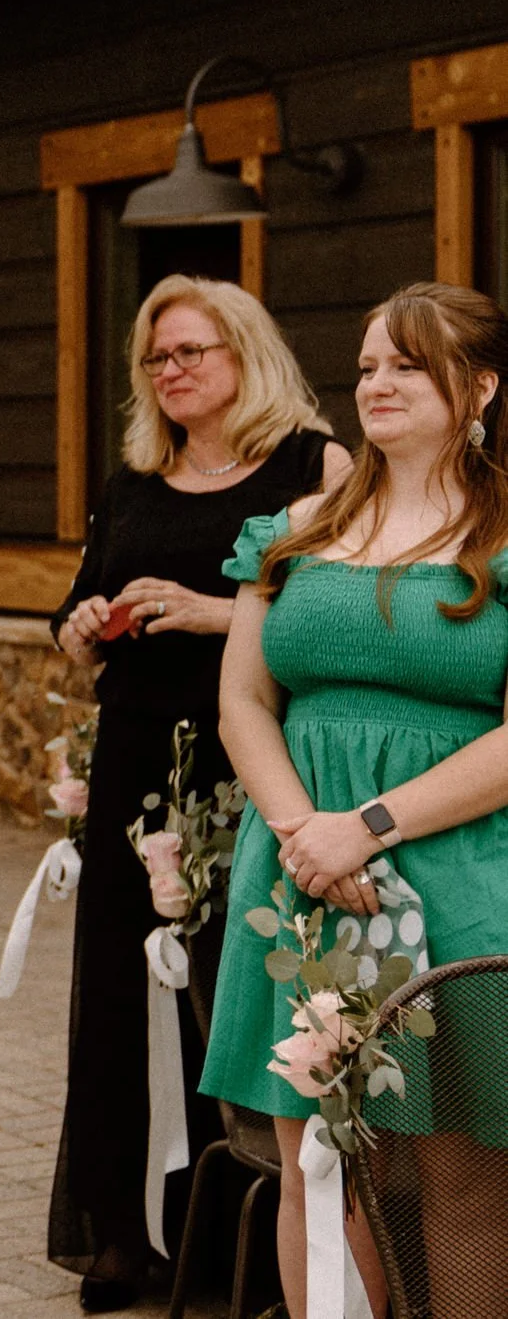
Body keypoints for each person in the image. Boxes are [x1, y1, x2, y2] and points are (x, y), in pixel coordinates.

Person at [207, 281, 508, 1317]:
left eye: (407, 364)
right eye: (369, 363)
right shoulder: (291, 529)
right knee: (324, 1170)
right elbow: (243, 699)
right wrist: (307, 835)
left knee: (460, 1183)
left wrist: (367, 827)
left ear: (480, 388)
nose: (377, 382)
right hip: (305, 882)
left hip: (460, 874)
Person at [47, 274, 346, 1310]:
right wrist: (80, 624)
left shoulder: (313, 466)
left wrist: (214, 611)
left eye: (190, 351)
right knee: (123, 991)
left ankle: (240, 1243)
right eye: (155, 357)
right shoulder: (132, 480)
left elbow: (336, 613)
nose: (169, 370)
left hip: (251, 759)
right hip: (138, 760)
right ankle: (126, 1235)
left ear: (243, 352)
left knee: (239, 986)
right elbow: (76, 600)